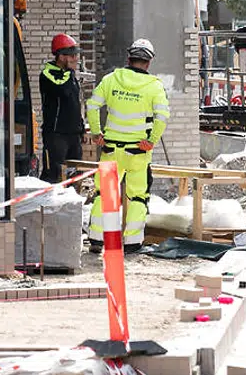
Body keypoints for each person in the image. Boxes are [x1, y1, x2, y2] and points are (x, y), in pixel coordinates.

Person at [85, 39, 170, 250]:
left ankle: (96, 238)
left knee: (104, 193)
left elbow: (92, 105)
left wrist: (97, 133)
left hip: (111, 148)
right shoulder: (154, 86)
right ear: (149, 63)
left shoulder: (111, 79)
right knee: (138, 197)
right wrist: (151, 141)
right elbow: (162, 118)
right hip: (137, 152)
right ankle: (132, 242)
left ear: (128, 58)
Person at [38, 34, 86, 184]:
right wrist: (68, 72)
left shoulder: (70, 75)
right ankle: (46, 205)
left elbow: (74, 104)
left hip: (73, 135)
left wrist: (81, 128)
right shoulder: (48, 74)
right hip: (56, 135)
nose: (75, 59)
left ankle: (72, 204)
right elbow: (61, 89)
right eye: (72, 56)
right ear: (61, 56)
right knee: (53, 175)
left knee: (74, 176)